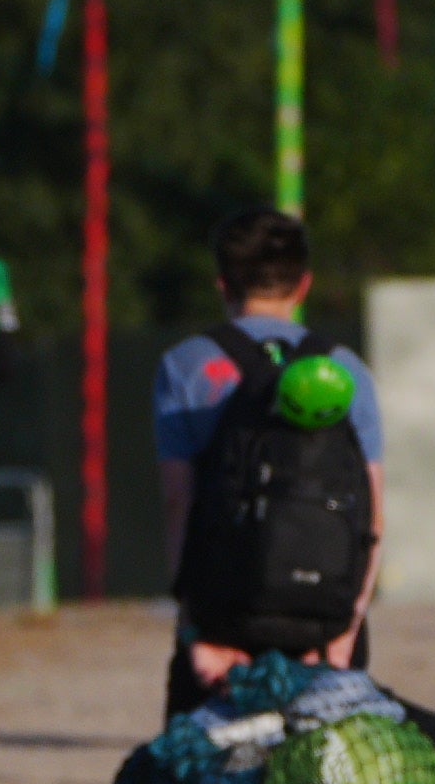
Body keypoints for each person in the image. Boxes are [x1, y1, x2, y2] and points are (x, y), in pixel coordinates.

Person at [154, 207, 385, 716]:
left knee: (203, 774)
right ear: (304, 284)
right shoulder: (345, 370)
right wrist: (344, 630)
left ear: (222, 283)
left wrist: (194, 628)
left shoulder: (185, 366)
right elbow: (371, 515)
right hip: (325, 620)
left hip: (224, 618)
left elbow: (179, 504)